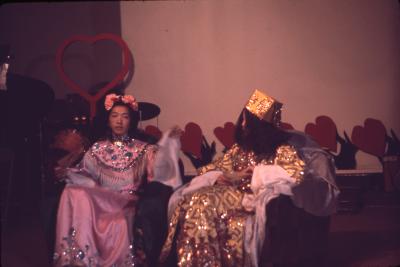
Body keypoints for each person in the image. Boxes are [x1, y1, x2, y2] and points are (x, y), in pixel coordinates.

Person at [159, 89, 339, 267]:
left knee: (203, 202)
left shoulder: (283, 149)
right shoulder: (239, 148)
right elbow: (214, 168)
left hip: (248, 197)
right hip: (227, 192)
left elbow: (296, 173)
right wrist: (219, 177)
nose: (243, 124)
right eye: (242, 119)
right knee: (194, 201)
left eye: (247, 120)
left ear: (260, 126)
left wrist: (258, 172)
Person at [53, 93, 182, 267]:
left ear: (131, 121)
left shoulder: (144, 148)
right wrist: (67, 171)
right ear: (108, 120)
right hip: (100, 198)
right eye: (114, 116)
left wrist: (168, 144)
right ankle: (78, 260)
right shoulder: (98, 148)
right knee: (72, 191)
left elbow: (160, 173)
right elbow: (83, 174)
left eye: (125, 117)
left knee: (115, 216)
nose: (119, 121)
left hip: (125, 200)